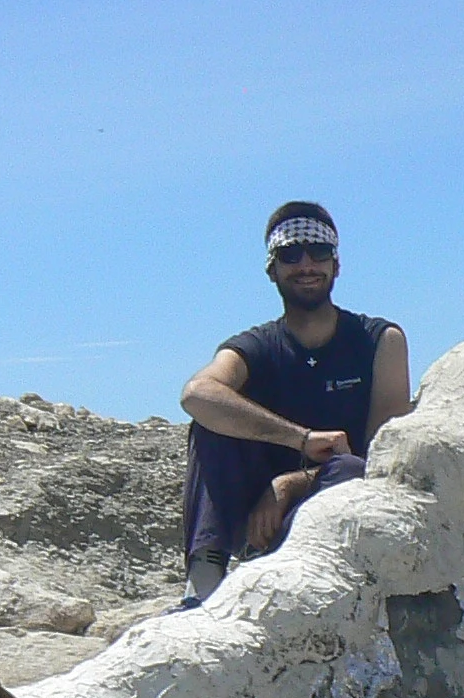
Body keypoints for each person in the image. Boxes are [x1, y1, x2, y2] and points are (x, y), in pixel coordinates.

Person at [176, 202, 412, 604]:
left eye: (319, 252)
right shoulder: (257, 346)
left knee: (352, 468)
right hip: (258, 518)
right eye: (291, 254)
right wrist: (299, 439)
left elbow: (384, 460)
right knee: (210, 427)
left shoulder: (379, 341)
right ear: (272, 270)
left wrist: (291, 483)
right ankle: (202, 590)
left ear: (336, 265)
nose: (306, 264)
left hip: (334, 498)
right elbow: (197, 394)